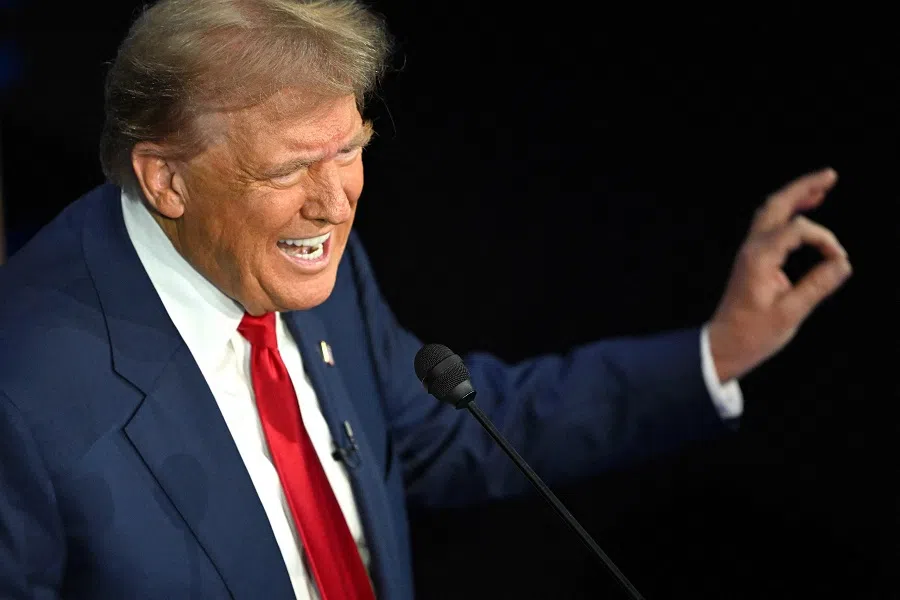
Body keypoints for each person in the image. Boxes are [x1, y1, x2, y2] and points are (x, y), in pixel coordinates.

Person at [0, 1, 852, 598]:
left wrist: (721, 349)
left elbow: (444, 434)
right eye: (292, 166)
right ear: (167, 178)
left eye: (351, 149)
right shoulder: (25, 394)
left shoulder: (299, 259)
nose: (333, 203)